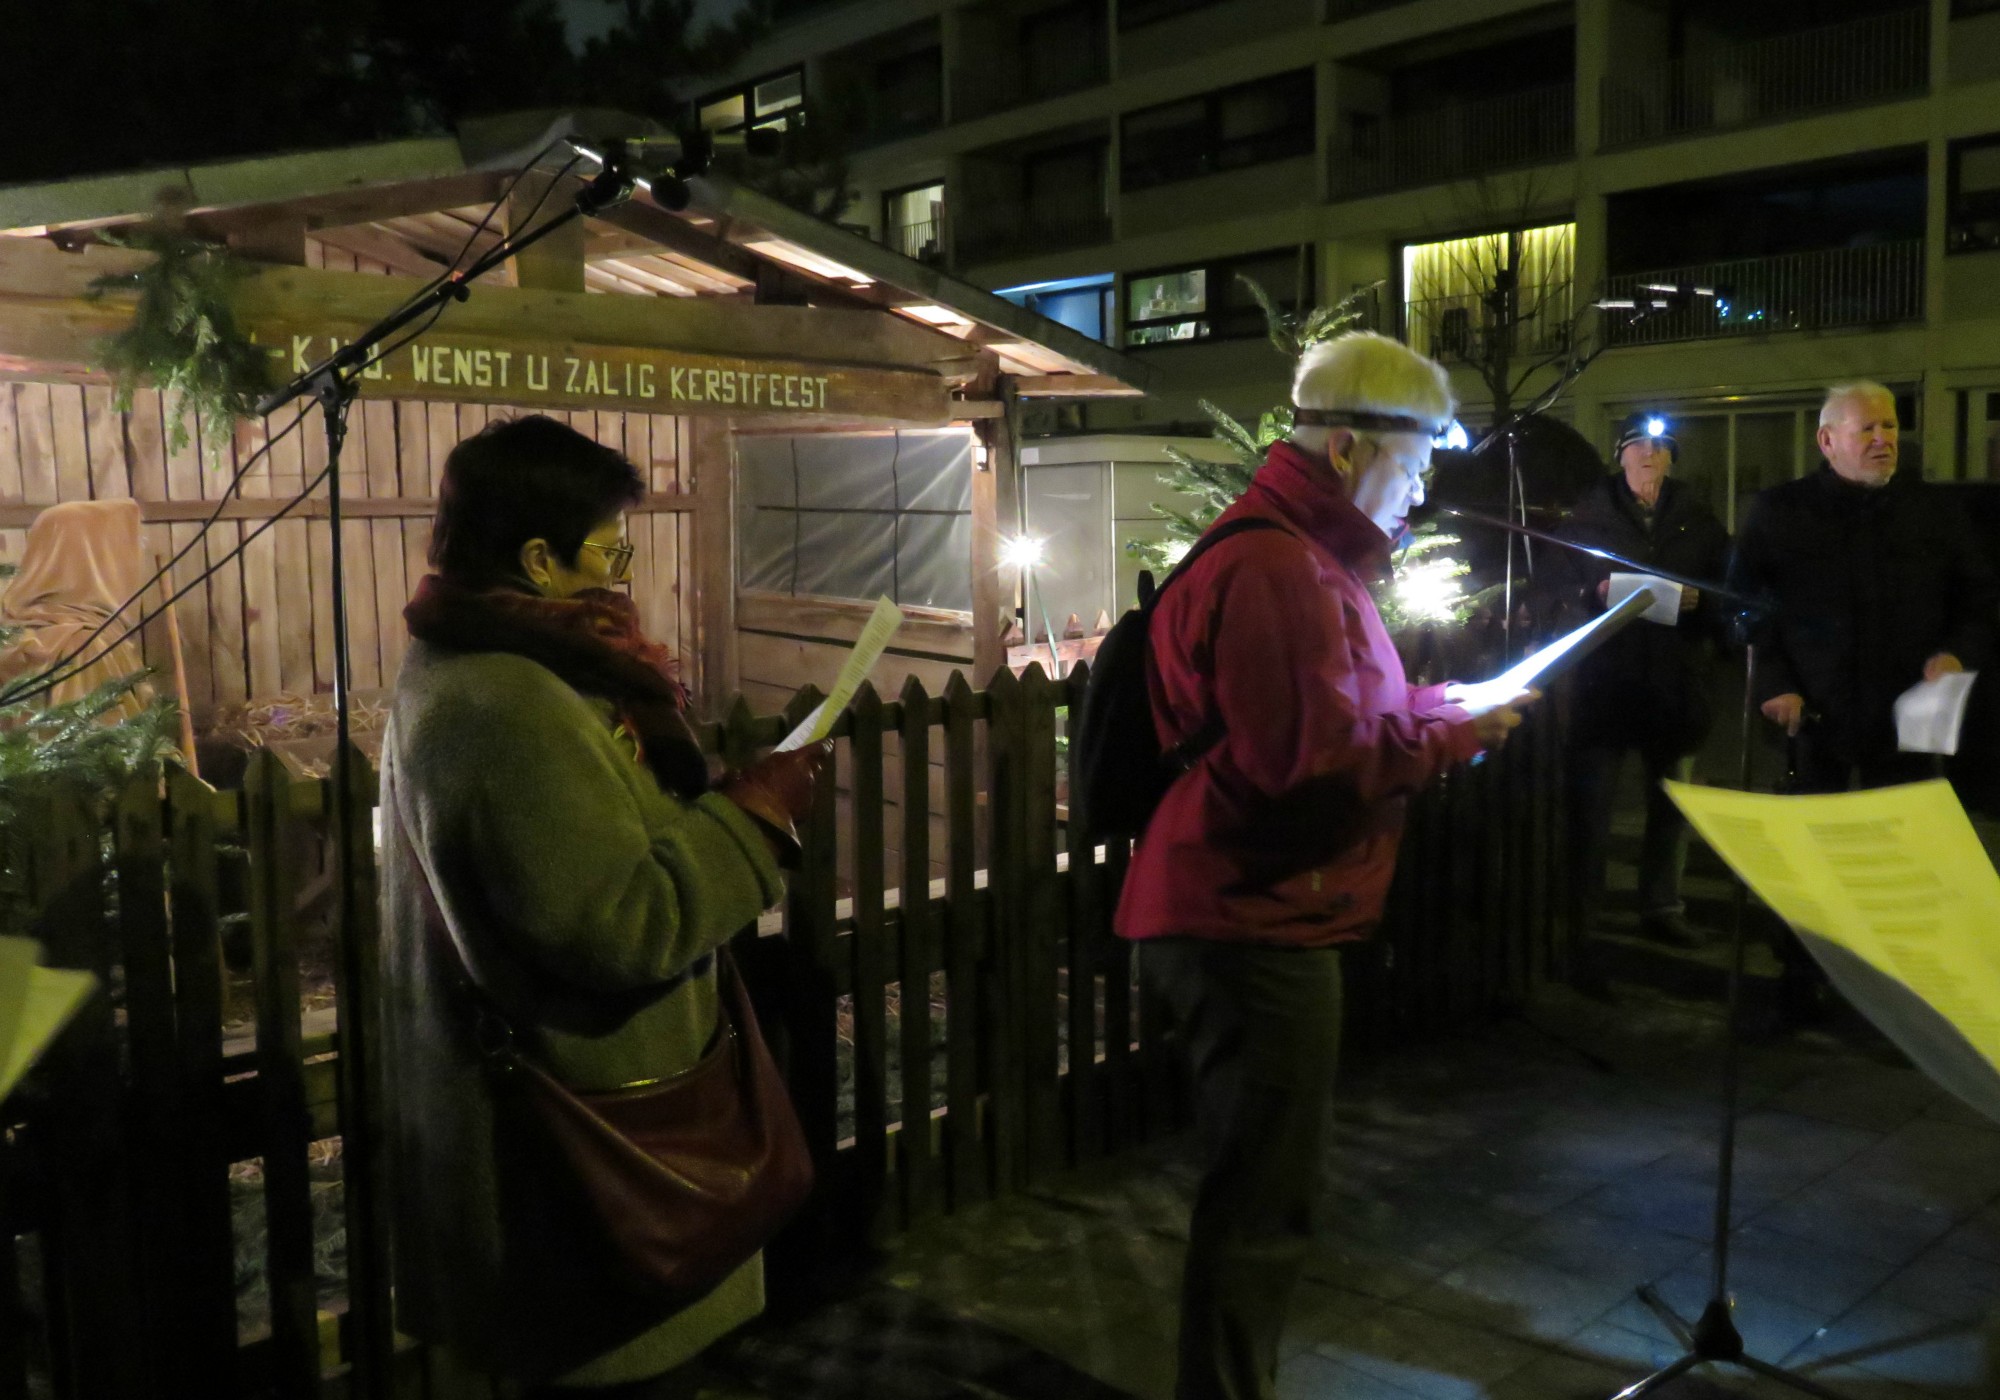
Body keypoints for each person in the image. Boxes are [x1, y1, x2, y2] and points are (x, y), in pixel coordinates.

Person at [1116, 332, 1534, 1400]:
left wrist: (1439, 706)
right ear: (1348, 447)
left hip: (1251, 906)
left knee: (1256, 1188)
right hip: (1247, 916)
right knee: (1260, 1201)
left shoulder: (1299, 559)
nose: (1427, 484)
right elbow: (1310, 765)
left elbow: (1329, 719)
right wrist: (1461, 736)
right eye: (1422, 454)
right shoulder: (1279, 569)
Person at [378, 415, 827, 1396]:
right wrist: (751, 820)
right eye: (607, 547)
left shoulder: (526, 670)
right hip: (585, 1152)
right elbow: (624, 922)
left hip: (591, 1111)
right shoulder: (498, 703)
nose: (621, 568)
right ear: (538, 557)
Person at [1728, 382, 1997, 793]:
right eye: (1867, 429)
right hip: (1809, 725)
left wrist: (1956, 655)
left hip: (1910, 728)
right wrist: (1774, 684)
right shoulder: (1781, 513)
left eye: (1889, 426)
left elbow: (1978, 600)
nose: (1883, 440)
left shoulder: (1933, 512)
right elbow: (1742, 606)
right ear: (1827, 439)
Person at [1551, 415, 1730, 948]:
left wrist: (1705, 602)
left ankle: (1662, 906)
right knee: (1592, 811)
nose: (1652, 454)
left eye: (1662, 446)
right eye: (1640, 445)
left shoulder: (1697, 520)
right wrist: (1593, 596)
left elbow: (1727, 587)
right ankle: (1582, 914)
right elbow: (1554, 594)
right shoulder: (1585, 521)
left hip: (1675, 686)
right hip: (1605, 686)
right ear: (1620, 456)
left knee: (1671, 806)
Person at [0, 499, 155, 720]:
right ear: (96, 556)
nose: (139, 554)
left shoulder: (15, 633)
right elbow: (109, 744)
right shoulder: (86, 644)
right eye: (131, 543)